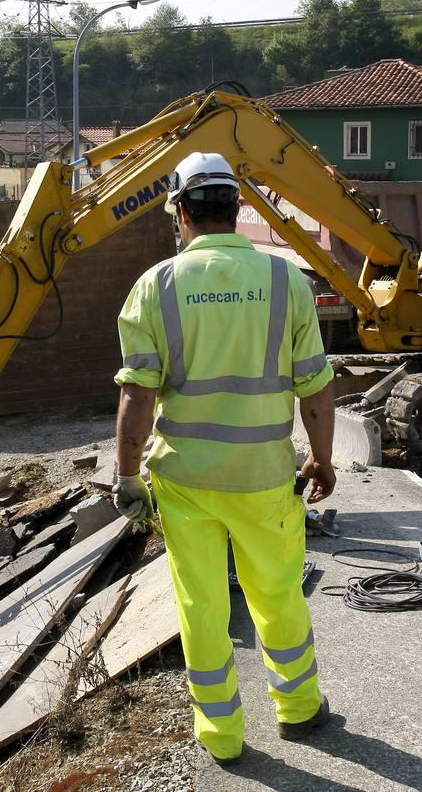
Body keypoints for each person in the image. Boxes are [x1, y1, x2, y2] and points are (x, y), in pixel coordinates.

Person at [112, 151, 337, 765]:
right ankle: (297, 710)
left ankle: (222, 736)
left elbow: (138, 393)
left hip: (185, 480)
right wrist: (322, 460)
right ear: (235, 209)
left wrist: (127, 476)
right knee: (278, 595)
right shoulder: (286, 281)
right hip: (265, 477)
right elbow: (316, 385)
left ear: (179, 212)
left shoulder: (154, 287)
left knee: (202, 605)